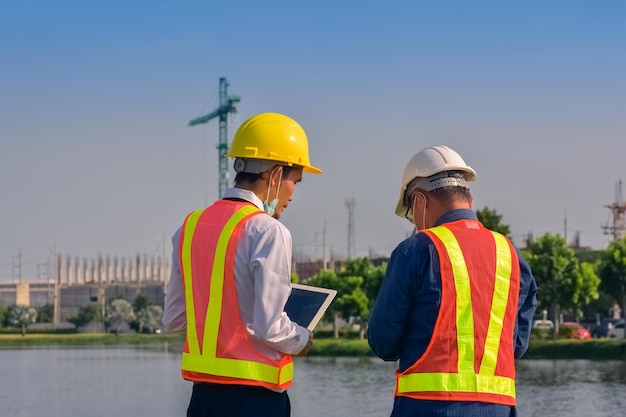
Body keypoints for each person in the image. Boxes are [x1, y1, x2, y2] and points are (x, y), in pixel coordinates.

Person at [163, 112, 322, 417]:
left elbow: (174, 318)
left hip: (202, 401)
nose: (293, 195)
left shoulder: (190, 226)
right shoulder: (268, 231)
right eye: (295, 181)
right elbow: (270, 327)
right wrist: (303, 339)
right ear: (275, 175)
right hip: (255, 401)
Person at [367, 145, 537, 417]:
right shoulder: (511, 254)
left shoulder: (416, 250)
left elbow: (382, 341)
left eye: (411, 213)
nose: (415, 223)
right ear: (469, 200)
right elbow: (516, 345)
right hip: (500, 408)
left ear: (420, 200)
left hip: (427, 408)